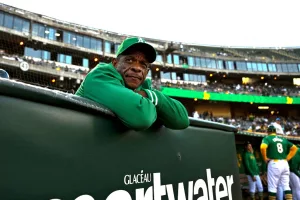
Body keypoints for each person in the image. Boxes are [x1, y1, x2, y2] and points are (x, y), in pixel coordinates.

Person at [76, 37, 189, 131]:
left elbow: (182, 120)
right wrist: (155, 106)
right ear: (115, 64)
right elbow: (142, 117)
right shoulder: (99, 76)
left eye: (143, 65)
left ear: (147, 72)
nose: (137, 68)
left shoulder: (142, 86)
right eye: (129, 60)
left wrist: (148, 94)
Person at [260, 125, 298, 200]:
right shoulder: (282, 139)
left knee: (272, 187)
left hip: (274, 163)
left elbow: (263, 147)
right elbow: (294, 148)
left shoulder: (267, 138)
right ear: (275, 132)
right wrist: (288, 158)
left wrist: (264, 158)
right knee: (286, 186)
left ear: (268, 132)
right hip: (284, 163)